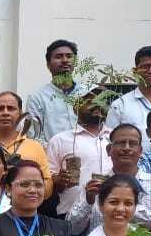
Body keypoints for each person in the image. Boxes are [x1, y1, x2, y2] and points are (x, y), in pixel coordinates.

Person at [68, 124, 151, 235]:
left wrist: (127, 208)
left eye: (132, 144)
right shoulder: (94, 186)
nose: (126, 148)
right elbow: (71, 228)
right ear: (109, 150)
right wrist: (88, 202)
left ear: (140, 151)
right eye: (121, 143)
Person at [0, 92, 53, 198]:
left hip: (25, 207)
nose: (5, 113)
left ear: (20, 114)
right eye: (0, 109)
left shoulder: (35, 147)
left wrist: (25, 180)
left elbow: (48, 188)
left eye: (11, 108)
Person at [46, 87, 111, 218]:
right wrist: (59, 180)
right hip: (71, 213)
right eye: (90, 101)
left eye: (102, 100)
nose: (97, 105)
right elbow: (48, 180)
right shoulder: (60, 140)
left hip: (110, 213)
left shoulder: (116, 137)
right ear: (76, 107)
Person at [26, 39, 92, 144]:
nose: (65, 60)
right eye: (58, 57)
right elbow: (34, 136)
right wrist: (57, 150)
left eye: (69, 56)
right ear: (48, 65)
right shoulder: (37, 98)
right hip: (53, 153)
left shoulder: (89, 92)